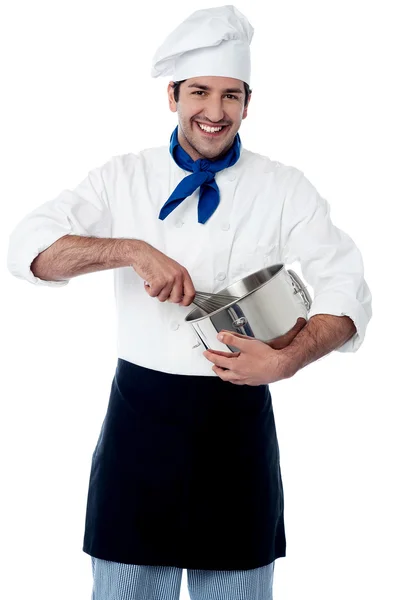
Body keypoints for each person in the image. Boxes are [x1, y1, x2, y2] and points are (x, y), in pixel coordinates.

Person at [6, 5, 372, 600]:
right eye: (200, 91)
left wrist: (286, 361)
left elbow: (348, 289)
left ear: (247, 104)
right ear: (172, 95)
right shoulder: (121, 179)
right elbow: (27, 249)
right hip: (138, 431)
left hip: (238, 437)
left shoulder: (284, 187)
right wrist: (129, 249)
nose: (215, 111)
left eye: (232, 95)